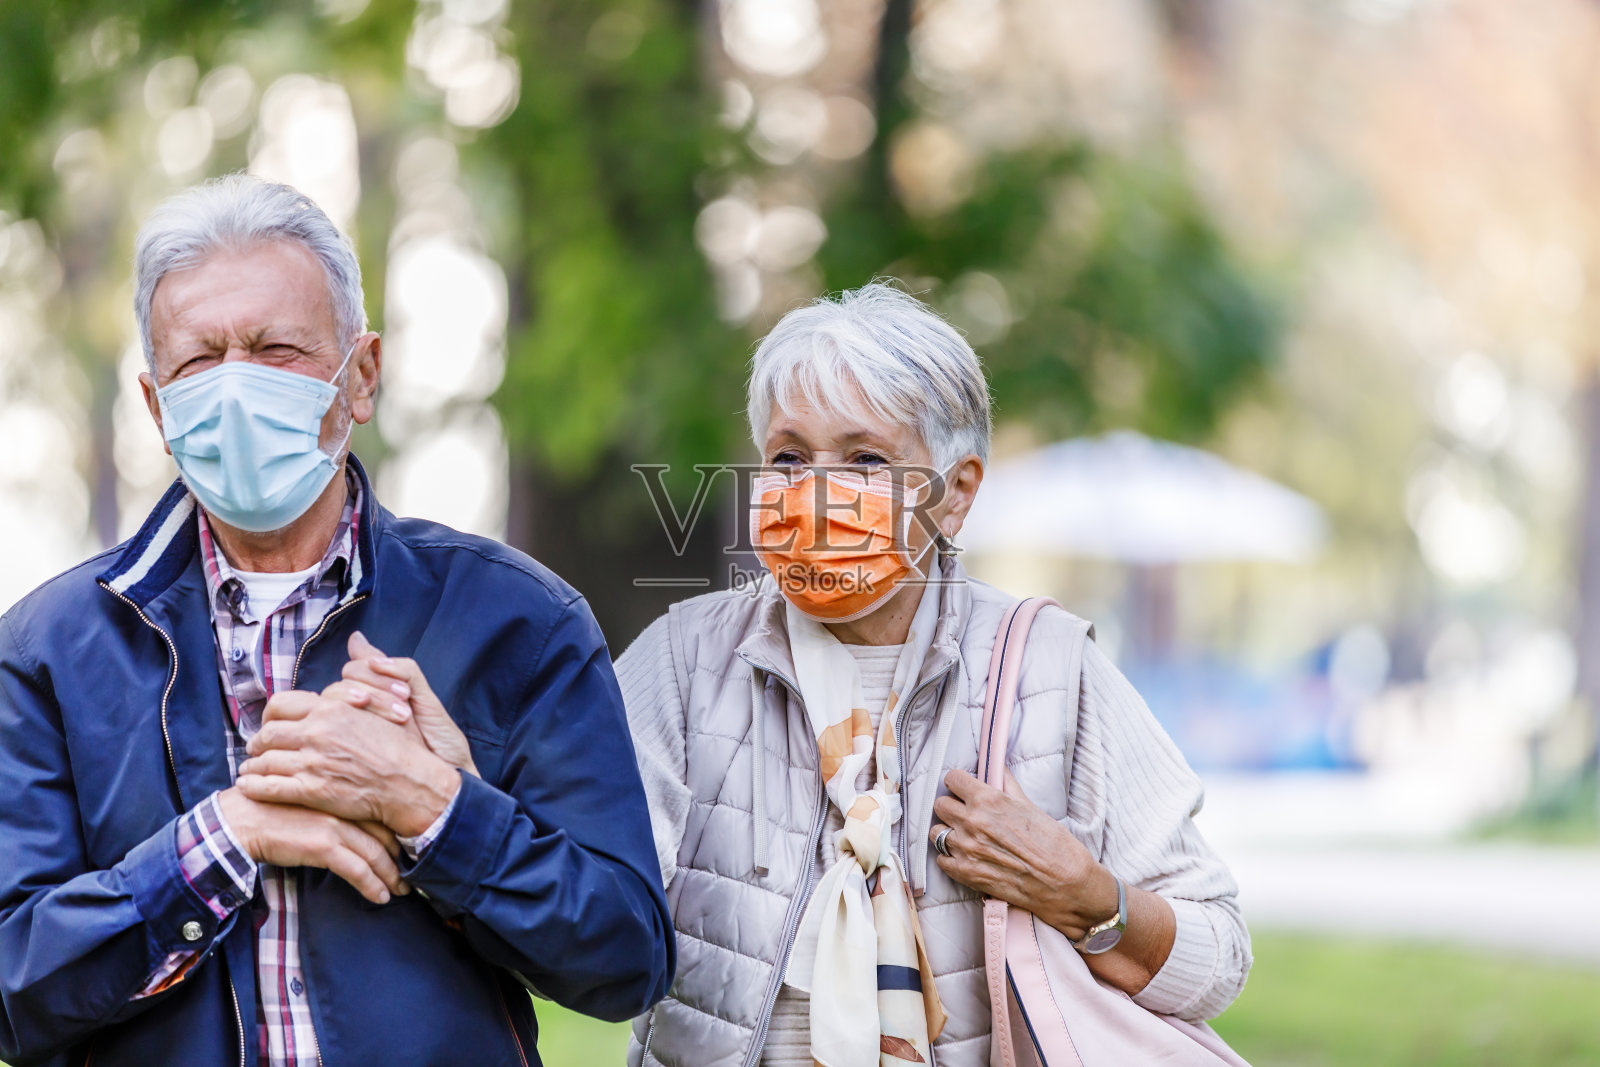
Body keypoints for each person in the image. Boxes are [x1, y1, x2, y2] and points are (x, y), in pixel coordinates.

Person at [0, 174, 672, 1067]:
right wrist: (222, 840)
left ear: (360, 376)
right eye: (200, 361)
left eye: (277, 348)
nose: (237, 389)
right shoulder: (47, 650)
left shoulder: (519, 620)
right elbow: (11, 990)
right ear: (159, 408)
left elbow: (625, 957)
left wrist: (434, 808)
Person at [616, 283, 1250, 1067]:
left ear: (955, 496)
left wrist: (1082, 894)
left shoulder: (1051, 670)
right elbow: (579, 902)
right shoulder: (684, 661)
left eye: (864, 459)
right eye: (788, 456)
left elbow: (1217, 959)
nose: (816, 491)